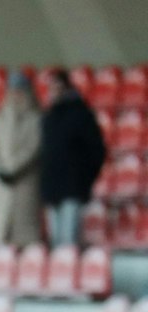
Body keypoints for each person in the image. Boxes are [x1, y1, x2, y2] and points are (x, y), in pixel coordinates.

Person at [39, 68, 107, 248]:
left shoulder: (81, 114)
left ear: (67, 87)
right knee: (56, 241)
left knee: (68, 242)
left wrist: (84, 179)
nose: (54, 91)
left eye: (58, 86)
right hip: (52, 189)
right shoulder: (48, 117)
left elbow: (97, 150)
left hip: (73, 187)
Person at [0, 72, 43, 247]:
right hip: (2, 185)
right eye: (13, 91)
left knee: (24, 235)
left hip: (25, 183)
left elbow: (34, 148)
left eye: (20, 91)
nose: (16, 95)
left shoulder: (36, 120)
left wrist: (13, 169)